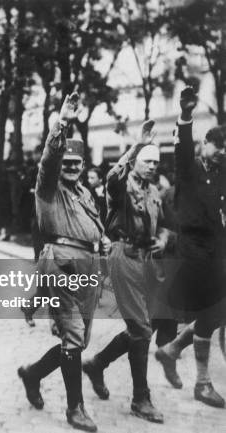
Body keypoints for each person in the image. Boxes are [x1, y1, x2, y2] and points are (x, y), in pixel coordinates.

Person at [17, 93, 109, 432]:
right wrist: (62, 123)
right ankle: (76, 409)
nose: (70, 167)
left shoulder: (85, 194)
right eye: (66, 162)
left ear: (84, 166)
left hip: (88, 267)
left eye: (76, 163)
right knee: (72, 337)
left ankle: (32, 373)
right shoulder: (48, 189)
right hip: (62, 266)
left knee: (80, 340)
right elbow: (49, 160)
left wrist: (103, 244)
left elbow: (93, 229)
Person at [82, 120, 167, 423]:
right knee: (142, 329)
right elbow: (113, 175)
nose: (153, 166)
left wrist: (164, 239)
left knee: (143, 326)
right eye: (147, 161)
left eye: (156, 162)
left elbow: (166, 222)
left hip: (148, 259)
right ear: (136, 162)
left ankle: (97, 363)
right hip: (124, 254)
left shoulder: (156, 190)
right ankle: (140, 400)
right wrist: (136, 146)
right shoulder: (120, 186)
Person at [154, 87, 226, 408]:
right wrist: (185, 116)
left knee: (217, 311)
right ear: (204, 145)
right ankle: (202, 382)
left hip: (216, 252)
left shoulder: (223, 175)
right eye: (217, 145)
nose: (222, 151)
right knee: (212, 311)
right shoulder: (190, 170)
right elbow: (181, 147)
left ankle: (171, 351)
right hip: (193, 253)